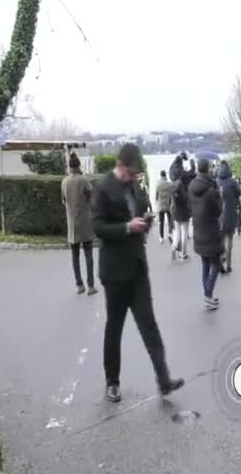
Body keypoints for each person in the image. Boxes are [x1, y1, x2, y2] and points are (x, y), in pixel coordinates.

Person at [92, 143, 184, 403]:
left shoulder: (134, 186)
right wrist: (126, 227)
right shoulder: (103, 188)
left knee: (149, 325)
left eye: (136, 174)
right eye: (131, 173)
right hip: (114, 272)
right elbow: (97, 227)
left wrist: (146, 220)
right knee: (114, 328)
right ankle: (112, 382)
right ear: (121, 165)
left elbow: (141, 210)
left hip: (137, 269)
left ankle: (164, 380)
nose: (133, 178)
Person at [61, 152, 98, 296]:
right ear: (79, 166)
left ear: (69, 167)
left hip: (72, 223)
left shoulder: (64, 182)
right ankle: (91, 286)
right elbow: (90, 199)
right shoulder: (84, 180)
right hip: (84, 221)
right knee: (88, 253)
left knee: (74, 254)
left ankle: (79, 285)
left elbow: (64, 201)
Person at [189, 159, 224, 309]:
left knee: (205, 264)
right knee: (216, 263)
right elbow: (217, 211)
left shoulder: (191, 186)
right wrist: (219, 195)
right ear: (208, 169)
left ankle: (208, 296)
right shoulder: (211, 189)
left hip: (198, 228)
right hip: (210, 230)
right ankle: (208, 295)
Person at [217, 160, 241, 274]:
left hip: (219, 215)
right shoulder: (232, 182)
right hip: (231, 213)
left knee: (221, 239)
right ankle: (229, 264)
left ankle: (221, 259)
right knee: (230, 239)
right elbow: (239, 192)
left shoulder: (216, 181)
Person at [170, 167, 192, 261]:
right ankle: (183, 253)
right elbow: (185, 198)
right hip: (184, 211)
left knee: (177, 231)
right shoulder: (181, 184)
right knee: (184, 232)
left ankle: (174, 246)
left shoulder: (173, 184)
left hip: (175, 211)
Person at [155, 170, 175, 244]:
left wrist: (158, 201)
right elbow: (172, 195)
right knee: (170, 221)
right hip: (168, 205)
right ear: (165, 175)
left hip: (161, 206)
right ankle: (170, 234)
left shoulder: (158, 184)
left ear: (161, 175)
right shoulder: (169, 184)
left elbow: (156, 197)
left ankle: (161, 237)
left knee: (161, 222)